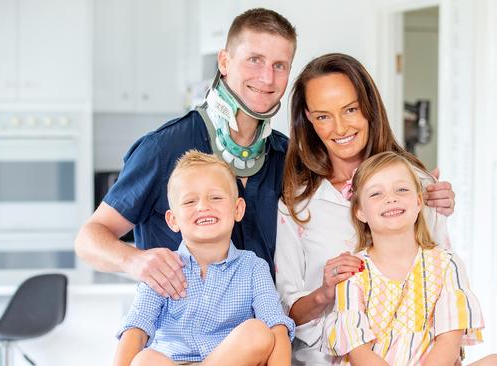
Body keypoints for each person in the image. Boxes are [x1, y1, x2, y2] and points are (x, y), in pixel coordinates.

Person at [75, 8, 455, 298]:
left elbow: (350, 204)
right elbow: (90, 238)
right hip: (181, 345)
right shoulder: (165, 147)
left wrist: (418, 193)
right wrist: (135, 260)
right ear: (224, 63)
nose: (267, 78)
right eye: (254, 60)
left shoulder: (284, 156)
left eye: (279, 65)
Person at [275, 53, 456, 365]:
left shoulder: (420, 187)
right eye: (322, 116)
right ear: (307, 119)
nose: (340, 127)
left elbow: (445, 288)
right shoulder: (297, 206)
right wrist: (324, 293)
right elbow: (285, 312)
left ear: (369, 107)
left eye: (350, 109)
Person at [113, 150, 294, 366]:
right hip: (173, 362)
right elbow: (135, 330)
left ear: (238, 209)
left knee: (258, 332)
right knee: (144, 360)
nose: (203, 206)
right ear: (173, 220)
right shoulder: (162, 268)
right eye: (190, 202)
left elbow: (277, 329)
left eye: (215, 197)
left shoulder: (253, 267)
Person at [322, 151, 490, 365]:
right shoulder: (354, 272)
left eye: (401, 189)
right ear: (360, 212)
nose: (391, 198)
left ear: (419, 202)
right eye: (376, 194)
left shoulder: (447, 264)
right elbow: (359, 353)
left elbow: (449, 343)